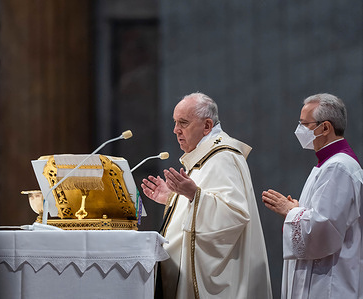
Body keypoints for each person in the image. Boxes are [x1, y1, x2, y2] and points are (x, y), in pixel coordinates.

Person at [141, 92, 272, 299]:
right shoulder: (204, 157)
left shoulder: (223, 157)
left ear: (207, 126)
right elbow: (203, 202)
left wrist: (193, 194)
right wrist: (173, 199)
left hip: (219, 278)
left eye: (183, 123)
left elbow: (234, 214)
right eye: (175, 122)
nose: (176, 130)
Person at [262, 93, 363, 298]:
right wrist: (300, 211)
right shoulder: (326, 165)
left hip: (330, 282)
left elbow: (324, 228)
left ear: (325, 127)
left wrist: (292, 212)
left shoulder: (339, 168)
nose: (300, 130)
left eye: (304, 124)